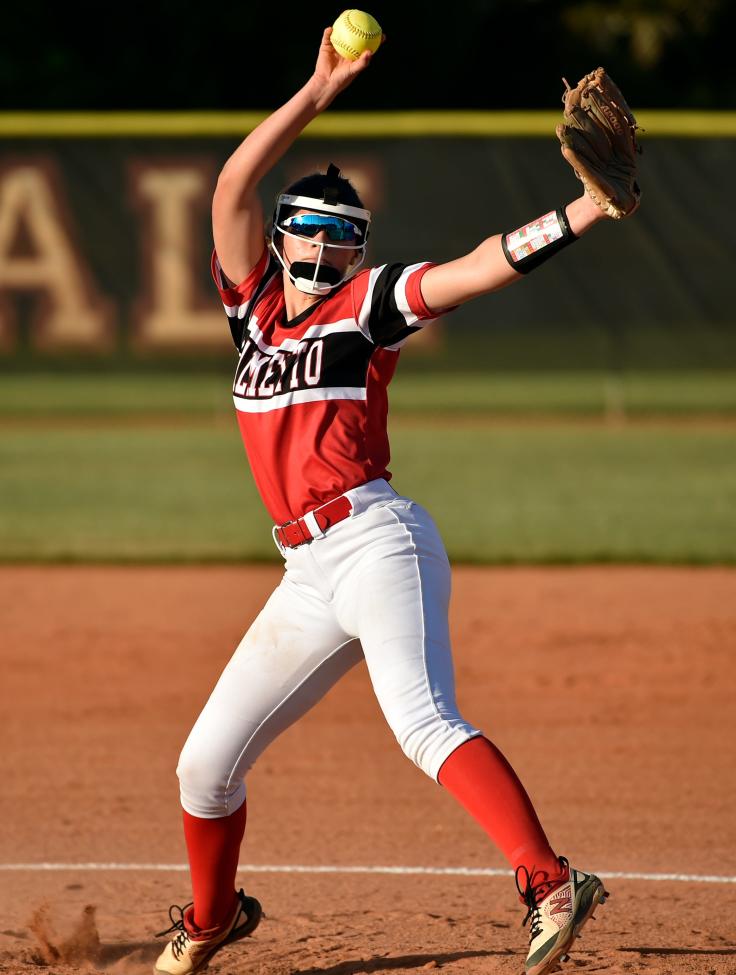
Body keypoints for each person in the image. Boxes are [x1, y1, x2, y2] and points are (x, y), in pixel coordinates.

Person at [153, 26, 637, 975]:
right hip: (303, 572)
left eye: (344, 237)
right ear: (282, 237)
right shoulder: (250, 311)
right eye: (311, 231)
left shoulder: (367, 307)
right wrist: (317, 89)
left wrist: (581, 213)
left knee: (422, 720)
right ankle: (212, 917)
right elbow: (227, 189)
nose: (326, 248)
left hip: (377, 543)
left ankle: (548, 880)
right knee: (203, 769)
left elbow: (476, 267)